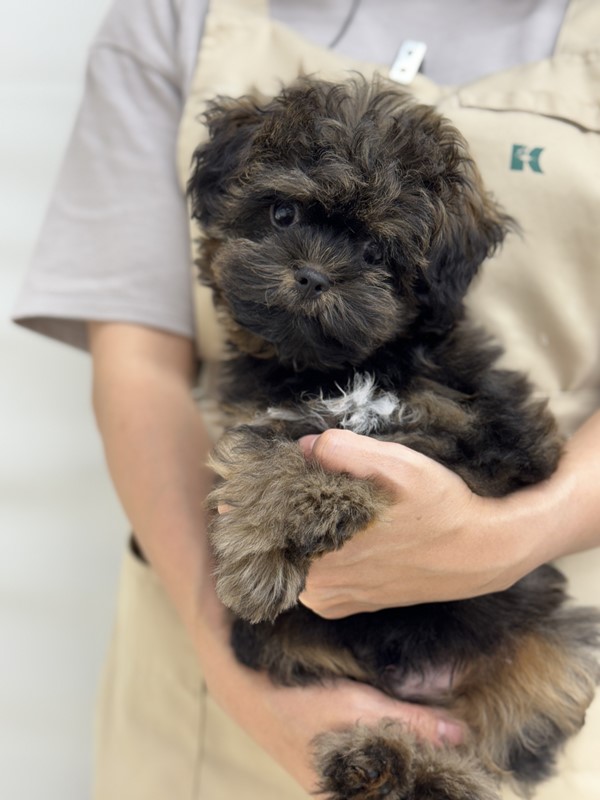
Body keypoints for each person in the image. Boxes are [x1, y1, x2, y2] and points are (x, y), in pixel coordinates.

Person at [12, 0, 600, 798]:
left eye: (371, 250)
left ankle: (427, 768)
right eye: (283, 214)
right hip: (204, 701)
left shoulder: (449, 389)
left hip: (505, 644)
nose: (313, 268)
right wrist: (230, 660)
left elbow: (509, 464)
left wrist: (511, 535)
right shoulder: (170, 14)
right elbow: (137, 368)